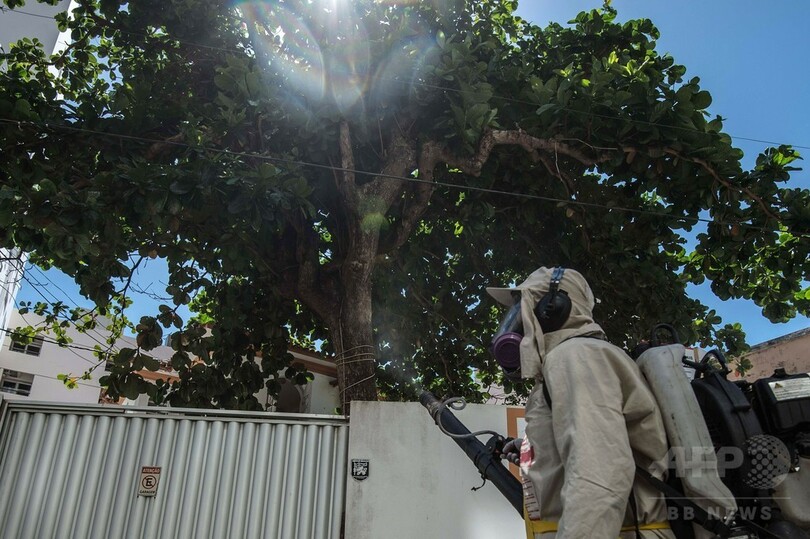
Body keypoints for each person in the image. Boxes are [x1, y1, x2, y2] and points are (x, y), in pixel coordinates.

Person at [487, 266, 676, 539]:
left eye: (522, 308)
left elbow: (599, 478)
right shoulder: (574, 358)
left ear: (552, 308)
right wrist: (538, 450)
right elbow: (591, 445)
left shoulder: (577, 357)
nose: (516, 323)